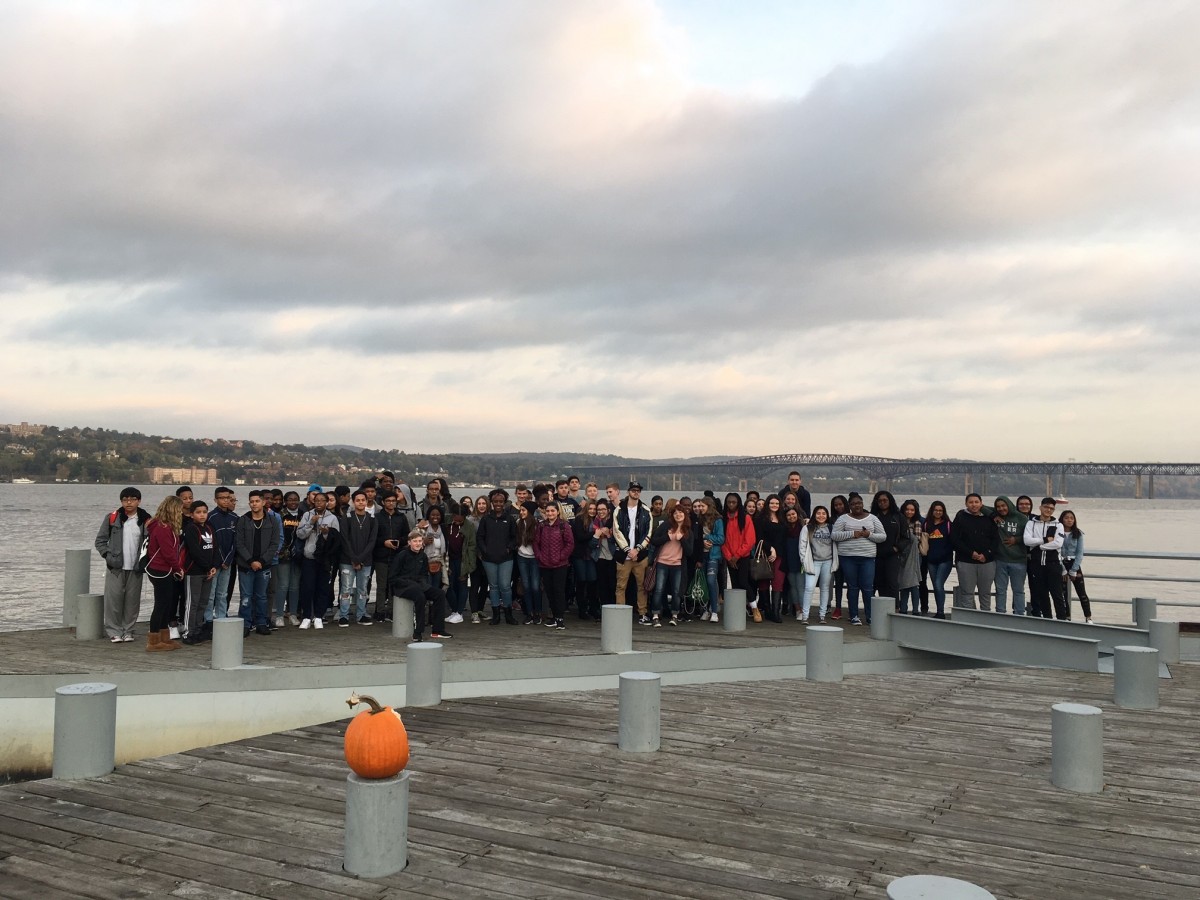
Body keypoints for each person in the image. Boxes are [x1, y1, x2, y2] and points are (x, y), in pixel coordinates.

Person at [95, 486, 151, 643]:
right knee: (113, 600)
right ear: (121, 501)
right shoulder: (112, 518)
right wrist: (108, 556)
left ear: (139, 501)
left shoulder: (146, 520)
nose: (129, 502)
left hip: (136, 567)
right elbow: (100, 541)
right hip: (116, 567)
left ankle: (128, 631)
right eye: (125, 499)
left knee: (132, 601)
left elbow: (151, 542)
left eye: (133, 499)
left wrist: (145, 561)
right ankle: (114, 631)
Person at [831, 494, 885, 625]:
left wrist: (869, 535)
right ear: (849, 506)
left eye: (859, 503)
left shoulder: (873, 518)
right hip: (848, 558)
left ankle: (870, 616)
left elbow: (883, 536)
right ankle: (854, 615)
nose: (857, 505)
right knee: (853, 587)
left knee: (867, 587)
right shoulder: (843, 519)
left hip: (867, 558)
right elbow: (834, 535)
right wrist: (851, 534)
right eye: (854, 503)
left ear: (863, 504)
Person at [388, 530, 452, 640]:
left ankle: (438, 630)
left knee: (440, 594)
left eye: (420, 541)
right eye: (415, 541)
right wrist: (411, 583)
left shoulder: (423, 556)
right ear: (409, 542)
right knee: (420, 596)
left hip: (419, 585)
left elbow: (424, 575)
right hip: (402, 587)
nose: (418, 544)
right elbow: (392, 578)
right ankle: (418, 632)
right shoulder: (401, 555)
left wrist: (423, 584)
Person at [143, 495, 186, 652]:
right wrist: (178, 569)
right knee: (161, 605)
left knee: (167, 604)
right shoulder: (163, 529)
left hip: (163, 569)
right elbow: (168, 554)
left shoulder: (163, 526)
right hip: (160, 570)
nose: (181, 513)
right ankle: (153, 640)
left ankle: (164, 637)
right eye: (179, 510)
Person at [235, 490, 281, 636]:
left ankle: (261, 622)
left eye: (257, 501)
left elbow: (274, 543)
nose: (254, 504)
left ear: (263, 502)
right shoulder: (243, 520)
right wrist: (250, 560)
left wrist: (261, 561)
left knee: (262, 596)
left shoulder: (272, 520)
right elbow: (239, 543)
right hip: (246, 565)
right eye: (251, 501)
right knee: (246, 596)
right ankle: (245, 624)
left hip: (264, 565)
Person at [295, 491, 339, 629]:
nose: (319, 503)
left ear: (327, 502)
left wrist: (326, 534)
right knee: (307, 588)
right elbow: (300, 534)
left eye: (322, 500)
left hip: (325, 558)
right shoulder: (307, 515)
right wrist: (310, 523)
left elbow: (337, 539)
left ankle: (319, 616)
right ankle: (307, 616)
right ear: (313, 501)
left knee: (322, 587)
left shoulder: (332, 518)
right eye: (317, 500)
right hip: (309, 556)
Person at [476, 488, 518, 624]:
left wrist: (508, 549)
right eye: (495, 501)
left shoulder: (510, 519)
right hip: (489, 559)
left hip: (506, 558)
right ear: (492, 502)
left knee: (505, 586)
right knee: (493, 586)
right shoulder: (486, 519)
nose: (498, 504)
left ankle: (508, 614)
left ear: (505, 502)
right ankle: (496, 615)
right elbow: (480, 537)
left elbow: (514, 537)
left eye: (501, 501)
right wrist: (485, 550)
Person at [648, 503, 694, 626]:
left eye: (680, 513)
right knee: (658, 589)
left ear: (685, 515)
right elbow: (654, 540)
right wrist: (666, 537)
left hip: (678, 564)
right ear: (672, 515)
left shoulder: (687, 531)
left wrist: (682, 539)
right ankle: (655, 615)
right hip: (662, 562)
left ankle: (675, 615)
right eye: (675, 513)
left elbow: (690, 552)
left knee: (676, 591)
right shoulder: (665, 526)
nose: (678, 515)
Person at [614, 482, 653, 624]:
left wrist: (637, 549)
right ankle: (620, 614)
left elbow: (648, 532)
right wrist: (627, 550)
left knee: (642, 586)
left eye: (638, 490)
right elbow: (616, 531)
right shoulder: (619, 510)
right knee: (620, 586)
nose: (636, 492)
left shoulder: (646, 510)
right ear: (628, 491)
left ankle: (642, 613)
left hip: (640, 556)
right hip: (623, 556)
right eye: (633, 490)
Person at [338, 490, 378, 626]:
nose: (361, 502)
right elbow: (344, 539)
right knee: (346, 589)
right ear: (353, 502)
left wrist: (360, 558)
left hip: (365, 560)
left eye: (363, 500)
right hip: (347, 560)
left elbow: (372, 541)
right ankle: (343, 615)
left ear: (367, 502)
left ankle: (361, 614)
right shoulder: (347, 517)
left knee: (363, 589)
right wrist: (354, 558)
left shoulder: (372, 519)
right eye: (358, 500)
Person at [951, 493, 997, 610]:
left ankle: (985, 620)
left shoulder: (989, 518)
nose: (974, 505)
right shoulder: (961, 516)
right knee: (967, 594)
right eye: (971, 502)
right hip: (966, 561)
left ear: (981, 503)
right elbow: (955, 539)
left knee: (985, 593)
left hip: (987, 562)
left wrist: (986, 554)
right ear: (966, 504)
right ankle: (969, 620)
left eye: (976, 502)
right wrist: (971, 553)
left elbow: (996, 539)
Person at [180, 499, 218, 644]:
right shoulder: (191, 529)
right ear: (191, 514)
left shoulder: (209, 527)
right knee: (192, 603)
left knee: (203, 602)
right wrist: (207, 567)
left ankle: (198, 629)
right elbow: (194, 551)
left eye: (204, 512)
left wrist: (214, 565)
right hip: (194, 571)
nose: (202, 515)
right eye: (198, 512)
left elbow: (215, 547)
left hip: (208, 571)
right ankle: (188, 632)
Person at [533, 501, 575, 630]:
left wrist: (561, 556)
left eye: (553, 511)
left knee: (558, 591)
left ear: (557, 512)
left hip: (560, 565)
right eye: (548, 511)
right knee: (549, 591)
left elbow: (570, 544)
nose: (550, 513)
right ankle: (554, 616)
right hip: (545, 564)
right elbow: (536, 543)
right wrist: (540, 556)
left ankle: (560, 617)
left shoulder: (564, 526)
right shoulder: (541, 526)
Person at [1024, 497, 1067, 619]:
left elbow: (1058, 543)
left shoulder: (1058, 525)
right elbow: (1027, 541)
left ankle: (1062, 621)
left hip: (1053, 564)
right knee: (1042, 595)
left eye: (1051, 508)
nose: (1048, 510)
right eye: (1046, 507)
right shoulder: (1031, 523)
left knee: (1057, 595)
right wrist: (1044, 540)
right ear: (1040, 507)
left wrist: (1040, 547)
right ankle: (1048, 620)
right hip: (1036, 564)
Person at [371, 491, 410, 623]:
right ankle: (380, 611)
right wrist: (384, 542)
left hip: (397, 556)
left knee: (394, 585)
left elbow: (407, 535)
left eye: (393, 501)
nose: (391, 503)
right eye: (388, 501)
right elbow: (372, 537)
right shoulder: (377, 517)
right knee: (381, 585)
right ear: (383, 502)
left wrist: (399, 541)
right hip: (381, 556)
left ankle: (393, 611)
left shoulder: (401, 517)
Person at [721, 492, 758, 620]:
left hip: (743, 556)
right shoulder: (722, 519)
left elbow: (750, 540)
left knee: (743, 582)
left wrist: (737, 556)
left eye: (734, 502)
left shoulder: (745, 518)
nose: (731, 504)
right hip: (729, 557)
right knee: (735, 584)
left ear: (738, 503)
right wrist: (729, 556)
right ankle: (739, 610)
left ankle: (754, 608)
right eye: (729, 502)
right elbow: (722, 541)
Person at [798, 505, 837, 622]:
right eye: (818, 513)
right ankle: (805, 615)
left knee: (824, 588)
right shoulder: (807, 528)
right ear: (814, 515)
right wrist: (803, 560)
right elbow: (802, 545)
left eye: (824, 513)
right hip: (813, 562)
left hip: (828, 561)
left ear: (827, 515)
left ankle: (822, 615)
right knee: (809, 587)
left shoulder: (831, 528)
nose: (821, 516)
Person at [205, 486, 239, 622]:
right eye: (222, 498)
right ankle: (207, 620)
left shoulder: (234, 517)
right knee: (210, 594)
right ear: (215, 499)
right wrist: (219, 560)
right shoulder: (211, 517)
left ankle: (221, 618)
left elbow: (236, 541)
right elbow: (212, 541)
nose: (225, 501)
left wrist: (228, 560)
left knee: (223, 593)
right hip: (214, 563)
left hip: (228, 563)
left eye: (228, 498)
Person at [991, 495, 1029, 615]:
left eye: (1003, 505)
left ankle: (1019, 614)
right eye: (998, 507)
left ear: (1009, 505)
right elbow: (981, 507)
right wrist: (993, 515)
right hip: (1000, 560)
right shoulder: (996, 515)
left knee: (1018, 591)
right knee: (1000, 590)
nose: (1001, 509)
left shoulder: (1022, 518)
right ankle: (1000, 613)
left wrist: (1016, 540)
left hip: (1019, 561)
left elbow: (1029, 537)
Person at [870, 491, 909, 604]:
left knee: (892, 583)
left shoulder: (898, 517)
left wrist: (897, 548)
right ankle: (875, 610)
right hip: (875, 555)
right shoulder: (872, 517)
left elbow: (906, 537)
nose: (882, 503)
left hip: (892, 555)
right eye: (880, 501)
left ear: (890, 501)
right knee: (876, 583)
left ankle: (895, 608)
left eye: (885, 500)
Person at [753, 494, 787, 623]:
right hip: (764, 555)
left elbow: (784, 538)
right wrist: (770, 548)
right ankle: (767, 611)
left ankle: (775, 611)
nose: (774, 506)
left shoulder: (782, 519)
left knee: (778, 582)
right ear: (767, 504)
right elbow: (759, 538)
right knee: (764, 582)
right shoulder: (760, 519)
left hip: (779, 556)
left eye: (777, 503)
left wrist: (777, 551)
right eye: (772, 503)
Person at [694, 497, 725, 623]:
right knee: (704, 583)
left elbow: (721, 539)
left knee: (711, 581)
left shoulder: (718, 520)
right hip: (702, 555)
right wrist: (702, 541)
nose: (700, 508)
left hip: (713, 555)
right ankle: (705, 609)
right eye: (699, 506)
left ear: (709, 506)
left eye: (702, 506)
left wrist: (707, 537)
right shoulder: (698, 520)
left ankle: (714, 611)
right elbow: (696, 539)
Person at [1059, 510, 1093, 623]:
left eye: (1071, 518)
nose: (1069, 520)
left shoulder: (1078, 533)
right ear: (1062, 519)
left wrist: (1074, 569)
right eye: (1066, 518)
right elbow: (1056, 551)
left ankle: (1088, 617)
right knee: (1063, 593)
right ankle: (1066, 617)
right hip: (1061, 564)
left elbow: (1079, 553)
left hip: (1074, 564)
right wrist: (1062, 569)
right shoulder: (1057, 532)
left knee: (1081, 592)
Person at [445, 502, 476, 625]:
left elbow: (472, 547)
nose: (457, 522)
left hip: (463, 560)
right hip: (448, 559)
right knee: (448, 585)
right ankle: (454, 610)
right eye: (455, 520)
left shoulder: (469, 527)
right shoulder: (447, 522)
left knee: (462, 584)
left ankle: (459, 612)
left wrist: (469, 567)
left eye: (460, 521)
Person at [923, 500, 953, 618]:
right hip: (931, 561)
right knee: (935, 586)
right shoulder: (926, 524)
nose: (938, 512)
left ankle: (941, 612)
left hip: (945, 560)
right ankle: (938, 610)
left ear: (943, 512)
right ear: (932, 511)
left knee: (938, 584)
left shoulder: (948, 525)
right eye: (936, 510)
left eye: (940, 510)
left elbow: (953, 541)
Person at [572, 500, 600, 620]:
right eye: (590, 509)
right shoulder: (579, 519)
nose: (592, 511)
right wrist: (595, 533)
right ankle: (582, 610)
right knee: (581, 582)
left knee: (592, 581)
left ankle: (593, 608)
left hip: (592, 555)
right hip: (580, 555)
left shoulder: (597, 521)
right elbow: (580, 537)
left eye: (595, 509)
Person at [515, 502, 542, 624]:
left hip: (534, 558)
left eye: (524, 510)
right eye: (520, 510)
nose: (521, 513)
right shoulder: (518, 523)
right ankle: (529, 613)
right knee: (526, 586)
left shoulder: (537, 525)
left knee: (535, 586)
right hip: (522, 557)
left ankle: (538, 612)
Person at [896, 500, 923, 615]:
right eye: (907, 509)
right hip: (901, 555)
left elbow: (916, 540)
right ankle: (903, 608)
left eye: (912, 510)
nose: (909, 512)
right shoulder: (898, 521)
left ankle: (916, 610)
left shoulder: (916, 523)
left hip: (914, 556)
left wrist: (906, 530)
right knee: (903, 583)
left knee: (913, 583)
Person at [827, 495, 849, 619]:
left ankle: (852, 607)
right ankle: (838, 608)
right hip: (836, 555)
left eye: (841, 504)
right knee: (839, 583)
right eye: (836, 505)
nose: (838, 507)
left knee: (852, 584)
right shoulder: (831, 520)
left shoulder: (852, 518)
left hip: (850, 555)